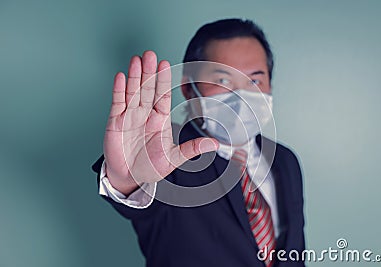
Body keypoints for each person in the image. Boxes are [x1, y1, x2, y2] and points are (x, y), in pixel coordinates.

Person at [92, 18, 305, 267]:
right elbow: (137, 193)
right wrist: (128, 178)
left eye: (255, 81)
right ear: (189, 89)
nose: (242, 96)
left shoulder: (285, 161)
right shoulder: (165, 156)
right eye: (223, 81)